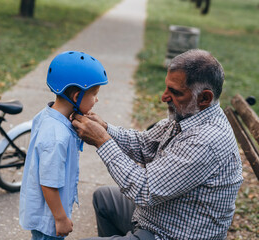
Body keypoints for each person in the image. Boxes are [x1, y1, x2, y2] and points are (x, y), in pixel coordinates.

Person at [72, 49, 243, 240]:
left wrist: (102, 141)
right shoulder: (189, 115)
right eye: (166, 88)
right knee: (104, 198)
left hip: (170, 234)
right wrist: (105, 128)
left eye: (175, 92)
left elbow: (144, 190)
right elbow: (144, 144)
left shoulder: (205, 141)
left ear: (204, 98)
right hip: (160, 217)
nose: (164, 97)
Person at [19, 51, 108, 239]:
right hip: (49, 219)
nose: (96, 100)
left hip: (47, 212)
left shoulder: (48, 115)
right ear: (76, 97)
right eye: (94, 94)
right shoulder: (57, 136)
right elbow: (48, 183)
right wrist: (61, 219)